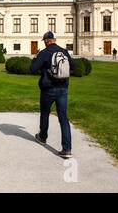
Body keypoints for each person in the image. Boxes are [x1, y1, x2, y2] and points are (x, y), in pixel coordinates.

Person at [30, 31, 76, 159]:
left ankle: (43, 137)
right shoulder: (64, 51)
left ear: (46, 41)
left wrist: (36, 57)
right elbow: (73, 66)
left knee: (45, 114)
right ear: (54, 39)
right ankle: (67, 149)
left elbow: (33, 69)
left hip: (48, 89)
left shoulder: (44, 53)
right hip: (63, 89)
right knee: (63, 118)